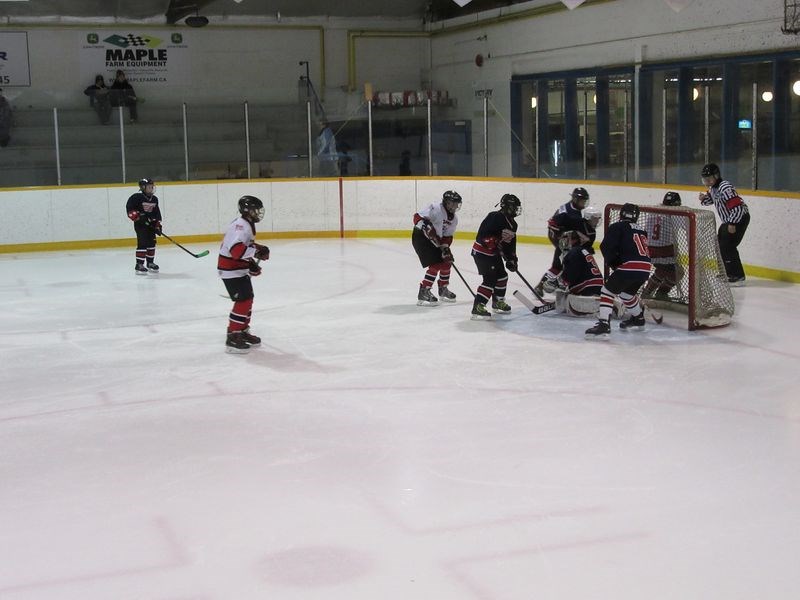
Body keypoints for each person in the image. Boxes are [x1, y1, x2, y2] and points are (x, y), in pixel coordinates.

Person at [585, 203, 652, 339]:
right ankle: (638, 318)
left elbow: (606, 247)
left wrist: (614, 263)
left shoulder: (617, 227)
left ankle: (604, 324)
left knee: (607, 291)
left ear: (621, 214)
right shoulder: (642, 231)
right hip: (645, 268)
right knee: (626, 294)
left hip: (629, 266)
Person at [218, 195, 271, 353]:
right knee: (243, 301)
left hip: (237, 268)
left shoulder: (247, 224)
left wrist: (252, 260)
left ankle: (242, 331)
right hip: (230, 269)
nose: (258, 213)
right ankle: (232, 335)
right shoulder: (240, 226)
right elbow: (236, 251)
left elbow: (245, 246)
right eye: (256, 210)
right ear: (247, 211)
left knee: (248, 300)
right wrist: (256, 252)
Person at [470, 193, 521, 320]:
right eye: (513, 207)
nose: (515, 210)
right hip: (482, 252)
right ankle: (478, 306)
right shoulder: (495, 216)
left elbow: (510, 245)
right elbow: (482, 236)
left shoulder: (513, 224)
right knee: (490, 279)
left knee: (503, 276)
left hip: (494, 254)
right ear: (506, 206)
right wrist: (492, 241)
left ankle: (498, 301)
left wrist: (512, 259)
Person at [534, 187, 592, 296]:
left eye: (585, 201)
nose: (583, 203)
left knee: (565, 262)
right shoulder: (568, 211)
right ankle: (542, 286)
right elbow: (552, 224)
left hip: (564, 238)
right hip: (559, 238)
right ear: (575, 199)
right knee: (560, 264)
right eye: (582, 200)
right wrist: (561, 235)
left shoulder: (575, 210)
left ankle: (554, 284)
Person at [698, 163, 750, 286]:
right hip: (729, 220)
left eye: (709, 179)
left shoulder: (724, 187)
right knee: (721, 244)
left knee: (728, 246)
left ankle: (737, 276)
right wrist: (703, 198)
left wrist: (733, 223)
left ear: (716, 176)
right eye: (705, 179)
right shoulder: (714, 188)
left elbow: (737, 207)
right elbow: (710, 201)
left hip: (738, 218)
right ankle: (727, 272)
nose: (707, 181)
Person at [412, 190, 462, 305]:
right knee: (436, 264)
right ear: (446, 202)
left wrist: (445, 248)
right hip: (421, 237)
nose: (455, 206)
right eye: (452, 203)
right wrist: (425, 226)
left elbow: (447, 236)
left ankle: (443, 289)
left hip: (436, 240)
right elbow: (417, 217)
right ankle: (424, 291)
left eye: (457, 204)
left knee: (447, 262)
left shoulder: (454, 219)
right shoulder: (435, 208)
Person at [553, 230, 605, 317]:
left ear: (574, 240)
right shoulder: (583, 250)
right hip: (598, 284)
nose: (564, 243)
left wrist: (561, 281)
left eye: (566, 240)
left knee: (563, 291)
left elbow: (572, 274)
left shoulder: (573, 252)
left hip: (586, 286)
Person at [642, 191, 682, 299]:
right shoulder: (676, 215)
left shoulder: (653, 212)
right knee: (678, 272)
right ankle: (660, 293)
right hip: (665, 251)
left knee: (663, 270)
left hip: (649, 250)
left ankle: (649, 291)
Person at [125, 178, 163, 274]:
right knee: (143, 243)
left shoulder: (154, 199)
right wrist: (137, 217)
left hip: (150, 225)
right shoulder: (136, 197)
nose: (151, 188)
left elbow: (156, 213)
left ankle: (150, 262)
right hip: (141, 225)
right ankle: (139, 264)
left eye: (152, 187)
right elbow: (130, 209)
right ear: (143, 187)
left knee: (152, 243)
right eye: (149, 187)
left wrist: (157, 225)